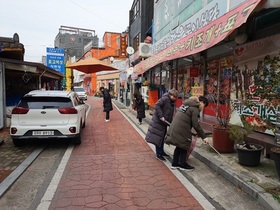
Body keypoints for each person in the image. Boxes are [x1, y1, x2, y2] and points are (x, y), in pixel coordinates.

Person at [165, 96, 209, 171]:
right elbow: (196, 124)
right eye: (204, 106)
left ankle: (175, 164)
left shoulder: (185, 105)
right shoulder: (195, 108)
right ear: (201, 103)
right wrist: (204, 137)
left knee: (179, 145)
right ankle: (183, 164)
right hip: (182, 129)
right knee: (184, 145)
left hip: (176, 127)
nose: (203, 108)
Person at [145, 89, 178, 161]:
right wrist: (161, 116)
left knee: (162, 137)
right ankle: (158, 154)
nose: (175, 98)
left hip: (164, 122)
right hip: (159, 121)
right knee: (158, 138)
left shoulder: (171, 101)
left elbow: (169, 113)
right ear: (171, 95)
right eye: (174, 97)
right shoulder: (165, 98)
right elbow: (157, 105)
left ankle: (161, 151)